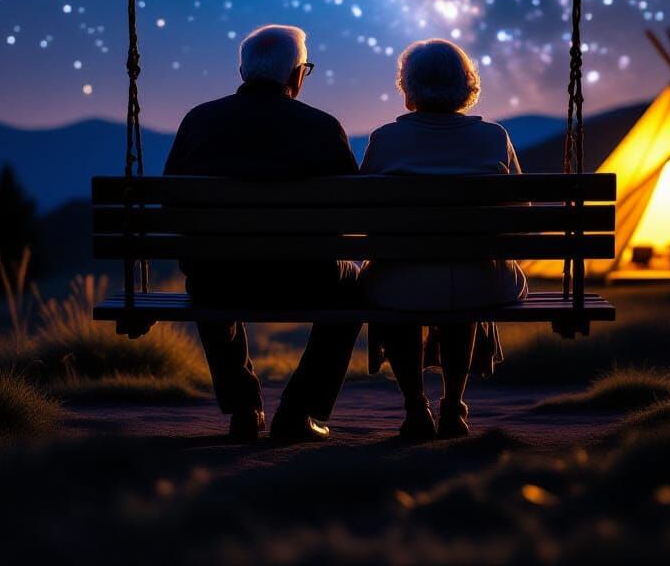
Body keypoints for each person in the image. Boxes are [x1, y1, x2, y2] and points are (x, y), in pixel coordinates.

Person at [164, 24, 361, 443]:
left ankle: (243, 408)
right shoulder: (323, 127)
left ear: (242, 73)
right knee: (356, 285)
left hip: (219, 279)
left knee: (207, 270)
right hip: (308, 279)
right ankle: (300, 410)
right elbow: (356, 213)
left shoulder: (199, 121)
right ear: (296, 75)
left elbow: (173, 208)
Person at [359, 38, 528, 441]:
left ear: (408, 87)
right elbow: (519, 212)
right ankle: (453, 405)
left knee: (396, 279)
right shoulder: (493, 137)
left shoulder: (385, 140)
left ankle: (416, 407)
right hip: (479, 283)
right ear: (466, 84)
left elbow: (365, 215)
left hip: (402, 283)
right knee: (469, 273)